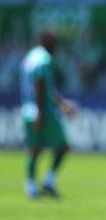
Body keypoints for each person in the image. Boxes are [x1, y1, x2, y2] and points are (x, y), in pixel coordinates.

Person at [20, 30, 76, 199]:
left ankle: (31, 186)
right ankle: (48, 182)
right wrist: (41, 112)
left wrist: (62, 103)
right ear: (45, 41)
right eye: (54, 42)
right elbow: (40, 85)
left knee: (34, 149)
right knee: (63, 146)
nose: (56, 46)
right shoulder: (44, 59)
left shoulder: (30, 57)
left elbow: (42, 86)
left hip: (27, 109)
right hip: (42, 110)